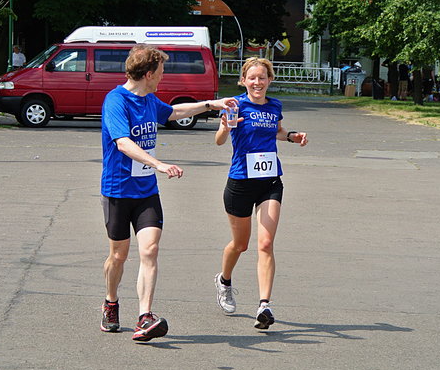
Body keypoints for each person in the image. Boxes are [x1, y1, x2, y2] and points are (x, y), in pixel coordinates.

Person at [100, 44, 237, 341]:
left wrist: (212, 104)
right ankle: (111, 302)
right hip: (118, 191)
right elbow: (123, 143)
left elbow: (174, 112)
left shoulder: (149, 100)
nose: (163, 77)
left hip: (146, 192)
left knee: (149, 250)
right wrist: (158, 164)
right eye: (160, 72)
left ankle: (144, 316)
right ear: (148, 74)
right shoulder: (116, 101)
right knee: (119, 255)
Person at [213, 57, 308, 330]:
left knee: (265, 244)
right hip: (240, 183)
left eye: (262, 77)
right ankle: (224, 281)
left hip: (269, 182)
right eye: (252, 77)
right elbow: (219, 140)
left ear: (270, 80)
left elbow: (276, 131)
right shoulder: (236, 105)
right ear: (243, 80)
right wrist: (225, 127)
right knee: (240, 245)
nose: (257, 82)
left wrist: (292, 136)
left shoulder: (275, 106)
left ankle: (264, 305)